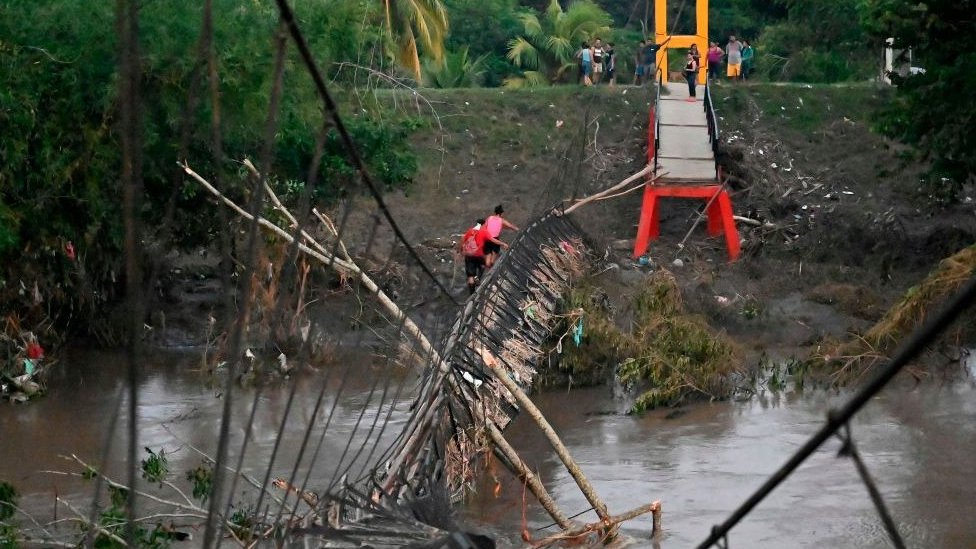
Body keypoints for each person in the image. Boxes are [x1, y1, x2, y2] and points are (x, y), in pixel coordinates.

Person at [458, 219, 487, 295]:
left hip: (469, 255)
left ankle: (472, 294)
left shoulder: (470, 231)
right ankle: (477, 278)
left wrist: (461, 251)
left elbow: (462, 239)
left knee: (470, 275)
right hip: (478, 254)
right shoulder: (484, 231)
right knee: (483, 265)